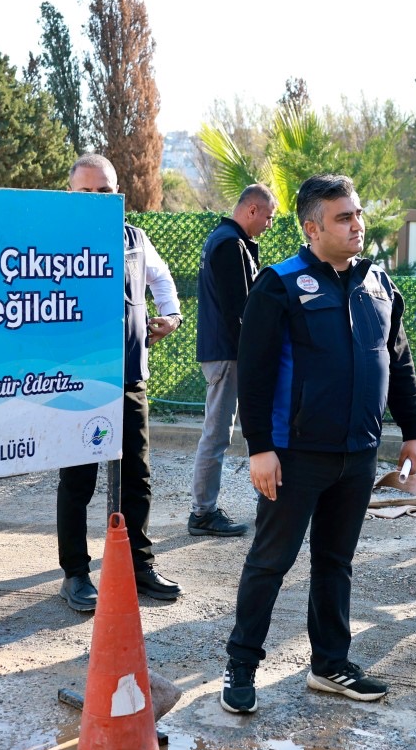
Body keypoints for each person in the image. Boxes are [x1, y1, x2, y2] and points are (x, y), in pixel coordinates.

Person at [220, 174, 416, 714]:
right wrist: (259, 448)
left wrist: (412, 432)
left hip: (357, 455)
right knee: (271, 560)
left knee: (336, 562)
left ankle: (330, 665)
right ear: (312, 227)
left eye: (356, 214)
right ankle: (240, 665)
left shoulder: (379, 284)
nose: (356, 224)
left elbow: (398, 360)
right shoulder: (279, 285)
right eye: (342, 217)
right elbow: (257, 374)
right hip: (294, 455)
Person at [58, 154, 184, 612]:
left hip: (130, 377)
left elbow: (162, 278)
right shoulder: (55, 238)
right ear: (70, 193)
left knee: (138, 476)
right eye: (87, 191)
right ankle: (74, 574)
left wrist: (169, 315)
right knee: (78, 480)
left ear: (118, 195)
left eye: (105, 191)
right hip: (78, 381)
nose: (97, 199)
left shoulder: (135, 239)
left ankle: (139, 566)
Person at [188, 183, 278, 538]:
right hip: (227, 353)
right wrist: (254, 354)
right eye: (268, 217)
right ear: (252, 211)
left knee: (219, 432)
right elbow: (238, 310)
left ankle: (206, 510)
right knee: (217, 433)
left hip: (225, 352)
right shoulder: (229, 243)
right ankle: (202, 512)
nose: (269, 225)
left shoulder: (228, 240)